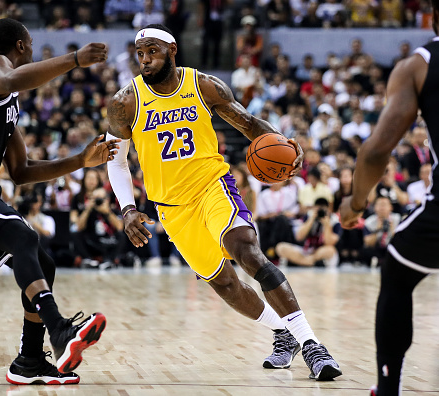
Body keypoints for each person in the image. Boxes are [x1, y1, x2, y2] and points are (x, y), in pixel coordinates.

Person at [106, 24, 342, 380]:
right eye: (139, 54)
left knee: (247, 251)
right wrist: (127, 209)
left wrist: (284, 143)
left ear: (172, 50)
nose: (145, 60)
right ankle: (283, 333)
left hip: (212, 186)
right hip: (170, 208)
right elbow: (116, 160)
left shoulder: (203, 85)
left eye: (152, 51)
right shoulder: (125, 102)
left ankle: (311, 345)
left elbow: (247, 123)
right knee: (224, 283)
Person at [0, 18, 117, 385]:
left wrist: (79, 161)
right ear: (22, 45)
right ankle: (59, 329)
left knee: (43, 261)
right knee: (22, 236)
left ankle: (29, 361)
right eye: (30, 43)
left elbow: (22, 171)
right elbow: (12, 79)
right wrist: (74, 59)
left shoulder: (8, 106)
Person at [339, 8, 439, 393]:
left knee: (398, 272)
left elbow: (377, 151)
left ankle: (388, 388)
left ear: (432, 19)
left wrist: (356, 204)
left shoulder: (418, 66)